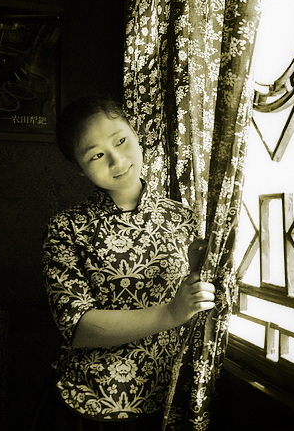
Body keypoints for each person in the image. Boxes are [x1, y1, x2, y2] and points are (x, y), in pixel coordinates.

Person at [36, 95, 215, 431]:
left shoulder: (185, 218)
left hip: (172, 398)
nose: (117, 161)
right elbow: (76, 326)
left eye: (120, 141)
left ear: (135, 133)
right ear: (80, 168)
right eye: (96, 155)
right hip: (94, 404)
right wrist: (169, 314)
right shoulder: (66, 228)